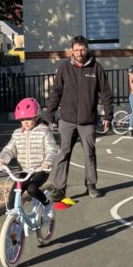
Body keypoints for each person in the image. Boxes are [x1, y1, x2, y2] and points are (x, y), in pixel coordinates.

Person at [45, 35, 113, 199]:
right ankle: (59, 188)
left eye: (82, 49)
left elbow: (106, 93)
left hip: (87, 120)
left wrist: (108, 116)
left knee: (89, 154)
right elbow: (56, 92)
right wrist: (49, 113)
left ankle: (91, 185)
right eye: (76, 50)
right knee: (64, 153)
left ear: (87, 49)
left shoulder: (96, 68)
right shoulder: (64, 68)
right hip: (67, 119)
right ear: (71, 51)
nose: (79, 53)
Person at [0, 98, 57, 213]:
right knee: (13, 197)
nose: (25, 122)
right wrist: (1, 161)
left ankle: (47, 204)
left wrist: (47, 162)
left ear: (36, 117)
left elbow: (52, 149)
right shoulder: (17, 133)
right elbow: (9, 149)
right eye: (22, 120)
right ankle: (13, 220)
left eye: (28, 119)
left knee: (32, 189)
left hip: (40, 170)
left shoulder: (44, 132)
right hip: (24, 171)